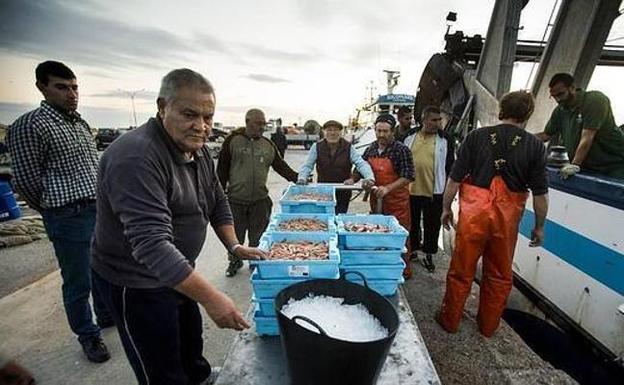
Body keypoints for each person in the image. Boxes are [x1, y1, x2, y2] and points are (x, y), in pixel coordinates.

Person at [91, 69, 266, 385]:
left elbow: (216, 201)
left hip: (179, 271)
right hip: (137, 281)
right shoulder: (136, 156)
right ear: (162, 107)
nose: (201, 126)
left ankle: (198, 378)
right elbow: (151, 245)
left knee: (189, 342)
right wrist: (212, 297)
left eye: (208, 117)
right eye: (189, 114)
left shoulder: (196, 148)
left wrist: (235, 246)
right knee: (160, 365)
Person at [6, 61, 112, 363]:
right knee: (77, 280)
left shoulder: (78, 123)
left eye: (75, 87)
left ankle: (106, 316)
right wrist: (55, 208)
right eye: (62, 87)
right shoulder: (30, 125)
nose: (71, 94)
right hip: (66, 214)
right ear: (41, 86)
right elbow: (26, 180)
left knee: (102, 269)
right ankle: (88, 336)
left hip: (95, 210)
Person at [437, 91, 549, 337]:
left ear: (501, 110)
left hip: (474, 214)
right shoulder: (535, 146)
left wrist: (446, 208)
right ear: (527, 114)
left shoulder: (475, 137)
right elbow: (541, 194)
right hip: (506, 219)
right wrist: (540, 226)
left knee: (461, 268)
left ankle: (450, 320)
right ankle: (487, 327)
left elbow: (454, 179)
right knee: (499, 274)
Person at [217, 109, 298, 277]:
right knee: (236, 236)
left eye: (263, 124)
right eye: (257, 123)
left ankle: (255, 262)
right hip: (235, 200)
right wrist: (218, 194)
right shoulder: (233, 141)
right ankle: (234, 262)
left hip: (260, 200)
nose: (261, 127)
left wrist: (299, 178)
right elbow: (222, 170)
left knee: (258, 236)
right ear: (247, 122)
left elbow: (281, 166)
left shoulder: (268, 145)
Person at [355, 114, 415, 279]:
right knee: (378, 234)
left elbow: (408, 176)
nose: (381, 135)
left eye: (385, 131)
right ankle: (381, 268)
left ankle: (402, 270)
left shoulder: (401, 150)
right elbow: (360, 169)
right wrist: (355, 179)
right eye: (379, 131)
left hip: (397, 202)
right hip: (377, 200)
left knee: (399, 237)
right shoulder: (371, 149)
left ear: (393, 131)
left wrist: (388, 188)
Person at [536, 73, 624, 180]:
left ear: (572, 88)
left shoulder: (594, 100)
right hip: (587, 168)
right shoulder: (560, 110)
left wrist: (574, 164)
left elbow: (587, 137)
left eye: (560, 94)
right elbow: (546, 135)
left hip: (614, 166)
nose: (558, 100)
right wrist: (522, 139)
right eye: (554, 97)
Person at [403, 106, 454, 273]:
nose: (438, 123)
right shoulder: (409, 136)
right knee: (412, 224)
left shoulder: (446, 139)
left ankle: (429, 253)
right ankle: (414, 250)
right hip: (410, 190)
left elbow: (450, 166)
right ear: (424, 120)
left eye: (439, 120)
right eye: (434, 120)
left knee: (432, 225)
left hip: (435, 191)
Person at [297, 120, 375, 214]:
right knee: (323, 218)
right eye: (329, 130)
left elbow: (361, 163)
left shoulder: (348, 147)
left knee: (339, 216)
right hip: (323, 191)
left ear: (340, 133)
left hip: (343, 190)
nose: (332, 133)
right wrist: (302, 178)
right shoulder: (316, 147)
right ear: (324, 132)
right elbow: (307, 165)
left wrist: (370, 178)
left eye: (336, 130)